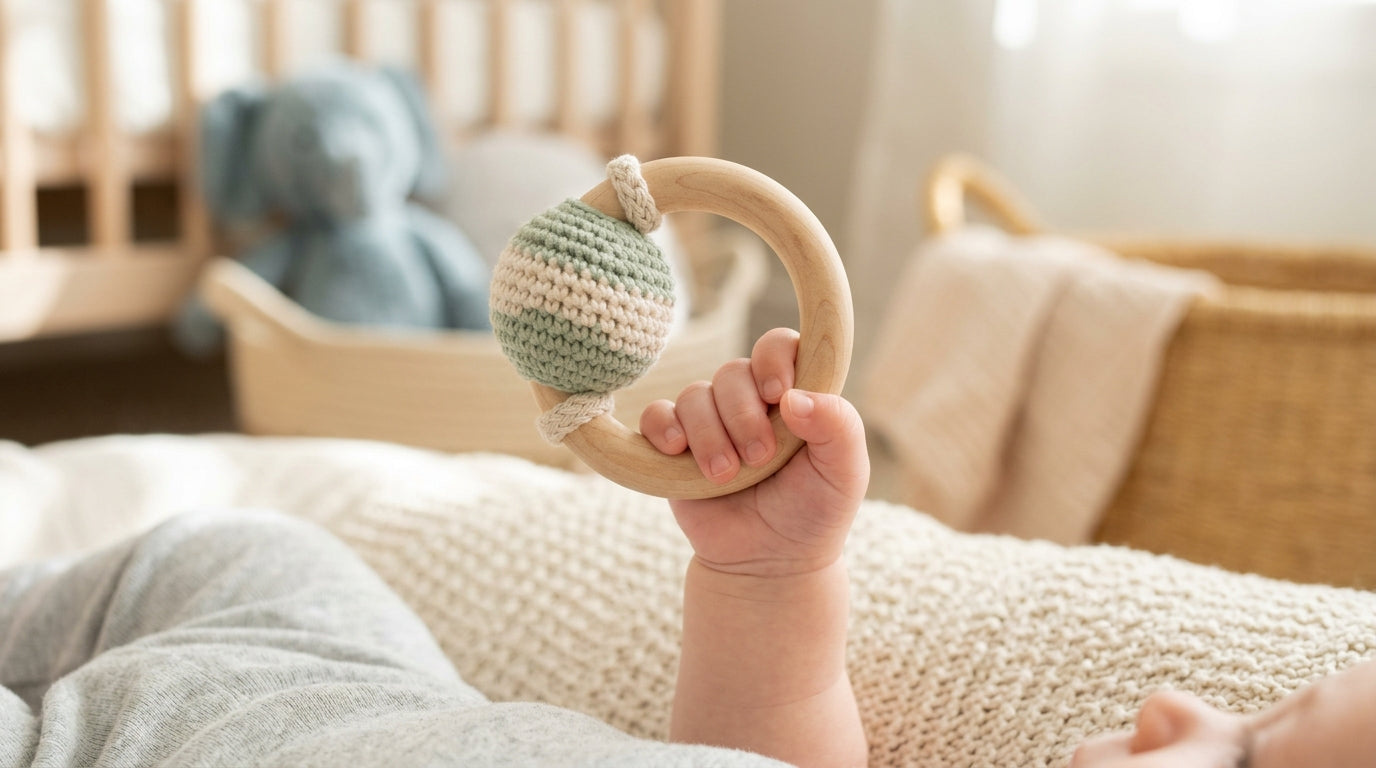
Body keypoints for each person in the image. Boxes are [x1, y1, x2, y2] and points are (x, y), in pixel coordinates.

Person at [2, 328, 1371, 768]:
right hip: (338, 666)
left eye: (1257, 747)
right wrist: (767, 571)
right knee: (256, 547)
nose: (1182, 703)